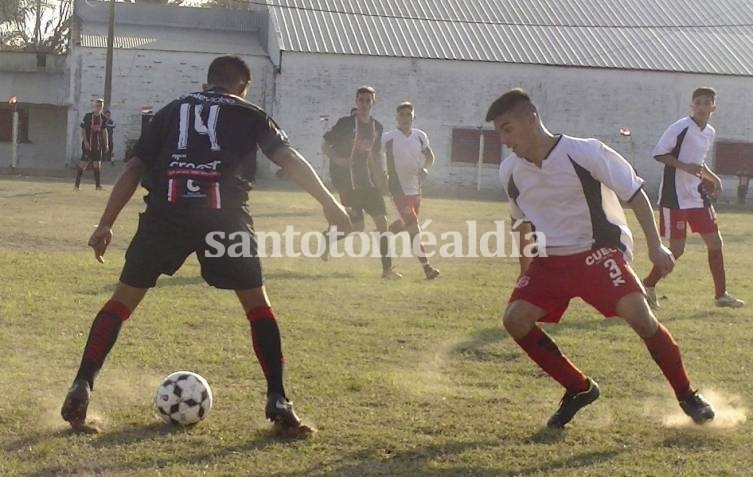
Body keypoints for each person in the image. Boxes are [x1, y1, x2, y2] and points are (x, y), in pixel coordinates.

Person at [60, 55, 351, 435]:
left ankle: (82, 382)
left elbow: (133, 168)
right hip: (223, 218)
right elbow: (289, 158)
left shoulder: (171, 110)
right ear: (242, 86)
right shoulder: (250, 113)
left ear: (206, 83)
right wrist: (329, 202)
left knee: (121, 301)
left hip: (166, 214)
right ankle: (278, 398)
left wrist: (105, 224)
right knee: (257, 307)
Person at [489, 89, 714, 428]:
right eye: (500, 132)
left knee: (641, 318)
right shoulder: (510, 170)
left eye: (508, 129)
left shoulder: (585, 152)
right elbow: (520, 222)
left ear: (531, 119)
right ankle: (579, 389)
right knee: (515, 320)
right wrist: (525, 271)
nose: (505, 140)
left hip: (598, 253)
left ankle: (686, 395)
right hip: (550, 261)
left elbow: (636, 194)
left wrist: (656, 246)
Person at [642, 87, 744, 309]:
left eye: (707, 103)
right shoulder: (680, 128)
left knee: (715, 242)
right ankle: (647, 285)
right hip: (675, 197)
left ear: (713, 107)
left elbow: (699, 162)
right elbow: (659, 154)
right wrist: (683, 167)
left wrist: (713, 178)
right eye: (698, 102)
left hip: (697, 196)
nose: (702, 107)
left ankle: (721, 295)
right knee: (676, 250)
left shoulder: (709, 132)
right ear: (692, 106)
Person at [321, 86, 401, 279]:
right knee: (355, 228)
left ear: (373, 103)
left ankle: (387, 270)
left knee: (382, 224)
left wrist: (382, 180)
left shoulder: (377, 127)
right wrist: (338, 160)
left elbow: (375, 156)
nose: (364, 104)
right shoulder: (345, 124)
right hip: (350, 185)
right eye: (361, 100)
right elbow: (325, 146)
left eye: (368, 100)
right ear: (356, 101)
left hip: (370, 185)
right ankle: (329, 237)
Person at [382, 102, 440, 279]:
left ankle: (382, 237)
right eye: (402, 115)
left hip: (415, 189)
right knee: (414, 228)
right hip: (397, 189)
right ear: (396, 118)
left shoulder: (420, 136)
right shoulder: (387, 138)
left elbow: (430, 157)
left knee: (406, 224)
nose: (405, 118)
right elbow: (373, 157)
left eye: (409, 114)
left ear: (413, 117)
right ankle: (427, 268)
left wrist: (425, 169)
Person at [75, 98, 109, 190]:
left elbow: (104, 131)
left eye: (100, 106)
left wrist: (106, 144)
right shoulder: (88, 116)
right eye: (97, 105)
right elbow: (83, 129)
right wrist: (85, 141)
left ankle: (98, 186)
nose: (99, 107)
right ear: (95, 106)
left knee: (97, 164)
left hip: (97, 145)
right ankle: (76, 185)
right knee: (83, 163)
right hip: (88, 144)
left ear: (102, 107)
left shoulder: (103, 118)